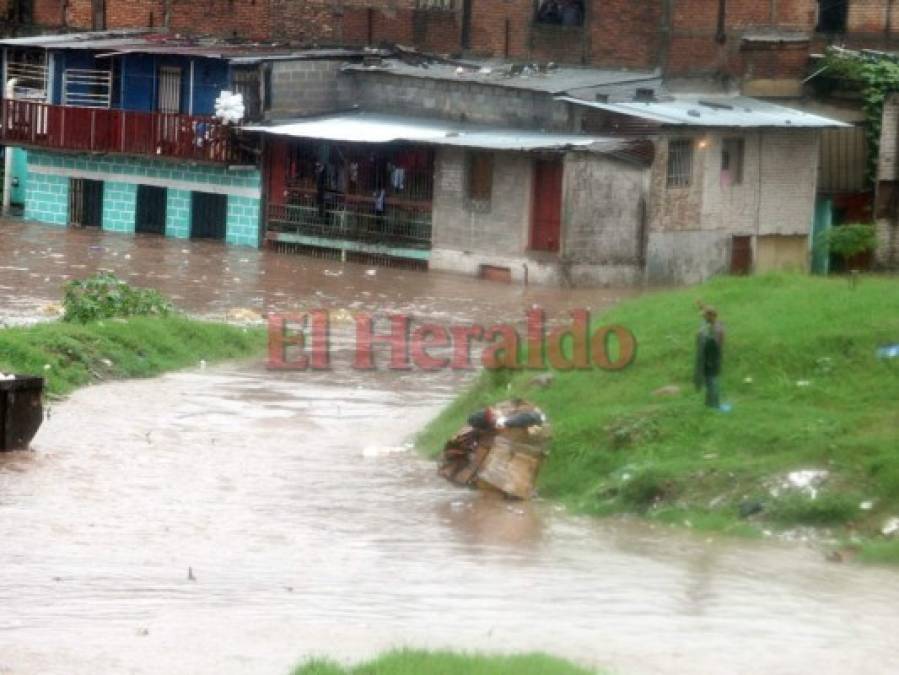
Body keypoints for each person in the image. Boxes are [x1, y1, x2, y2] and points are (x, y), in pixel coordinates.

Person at [694, 303, 725, 409]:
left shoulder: (717, 329)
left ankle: (714, 405)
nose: (704, 318)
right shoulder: (712, 325)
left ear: (711, 316)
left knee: (712, 382)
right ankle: (709, 404)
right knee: (709, 381)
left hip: (712, 359)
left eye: (705, 316)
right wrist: (702, 307)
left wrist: (701, 336)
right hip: (708, 359)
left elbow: (714, 344)